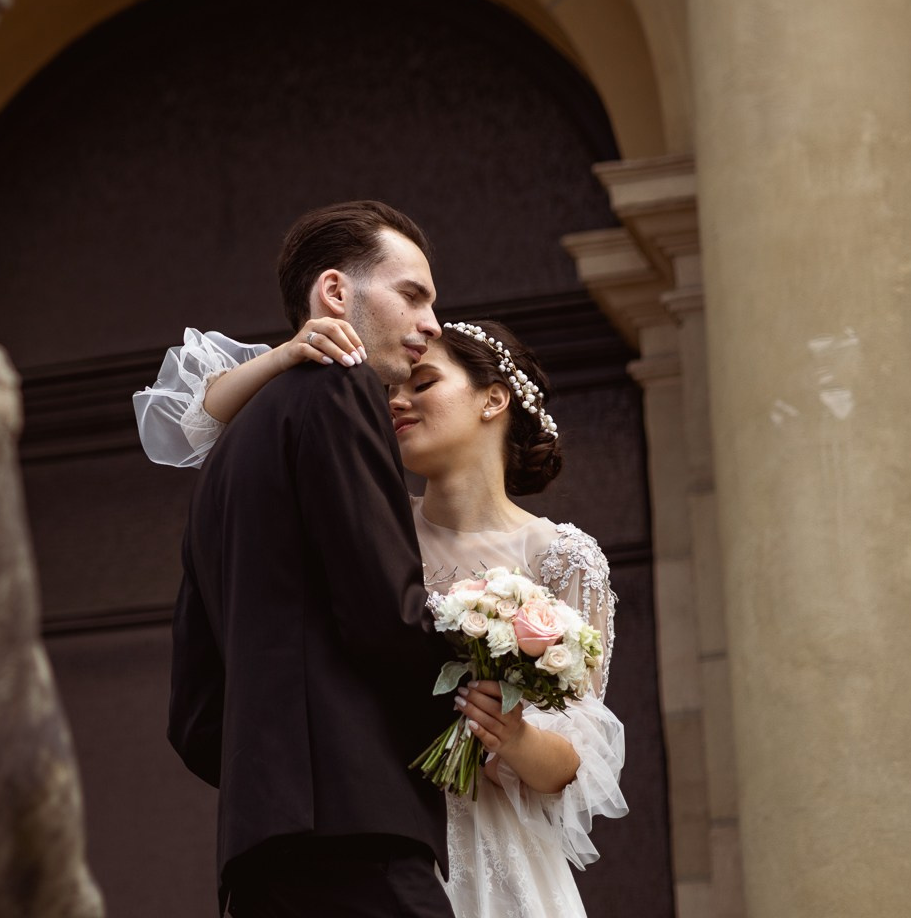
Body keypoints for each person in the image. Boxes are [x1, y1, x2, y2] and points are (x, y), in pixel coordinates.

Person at [150, 268, 627, 918]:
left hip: (494, 854)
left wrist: (506, 732)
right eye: (394, 389)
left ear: (493, 400)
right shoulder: (365, 516)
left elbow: (572, 764)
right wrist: (291, 354)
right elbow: (197, 427)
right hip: (369, 829)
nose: (397, 401)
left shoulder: (564, 558)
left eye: (423, 383)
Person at [166, 201, 455, 917]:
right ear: (335, 292)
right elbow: (383, 607)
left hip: (262, 850)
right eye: (412, 295)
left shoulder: (227, 451)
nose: (433, 325)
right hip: (354, 829)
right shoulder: (340, 387)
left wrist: (272, 769)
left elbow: (195, 717)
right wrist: (467, 714)